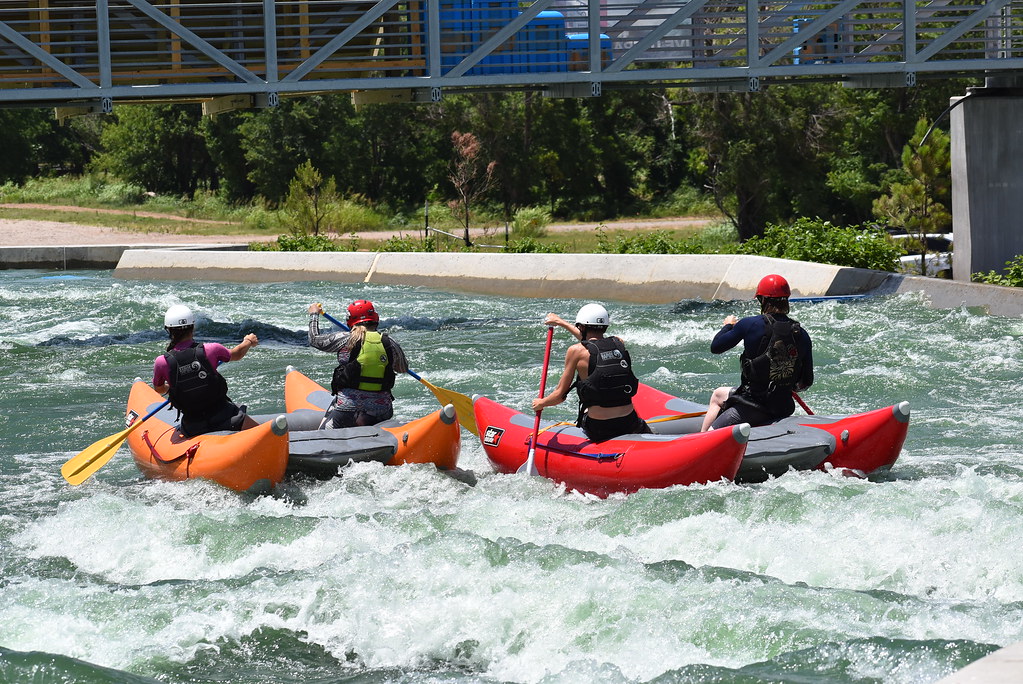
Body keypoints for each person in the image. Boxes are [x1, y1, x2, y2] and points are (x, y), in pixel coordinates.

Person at [700, 274, 814, 432]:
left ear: (763, 300)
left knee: (710, 434)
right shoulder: (801, 333)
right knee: (719, 394)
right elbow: (806, 382)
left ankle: (700, 438)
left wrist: (728, 326)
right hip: (783, 406)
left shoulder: (749, 324)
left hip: (752, 406)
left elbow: (716, 347)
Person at [532, 303, 651, 443]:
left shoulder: (576, 351)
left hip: (599, 427)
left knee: (588, 411)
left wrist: (541, 403)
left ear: (581, 327)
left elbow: (559, 396)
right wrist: (561, 322)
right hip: (628, 423)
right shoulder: (619, 343)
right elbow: (593, 343)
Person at [152, 304, 259, 437]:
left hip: (193, 426)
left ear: (169, 330)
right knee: (269, 437)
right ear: (193, 327)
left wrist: (173, 388)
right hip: (226, 417)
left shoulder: (161, 362)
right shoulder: (212, 349)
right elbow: (237, 354)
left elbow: (159, 388)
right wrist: (248, 341)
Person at [307, 299, 409, 429]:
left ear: (349, 320)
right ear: (375, 319)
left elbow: (314, 340)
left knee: (324, 429)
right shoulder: (390, 343)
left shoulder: (345, 339)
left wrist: (314, 315)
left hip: (347, 409)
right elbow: (402, 368)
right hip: (381, 411)